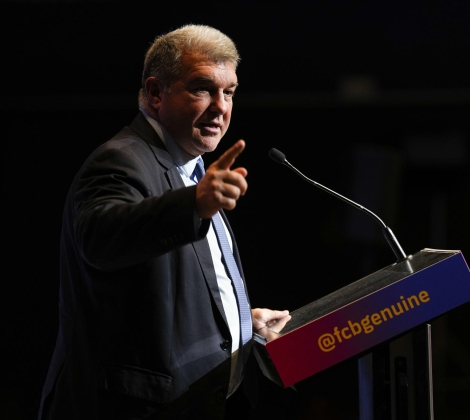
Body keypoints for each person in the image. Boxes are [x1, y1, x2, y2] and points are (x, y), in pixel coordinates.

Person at [37, 24, 292, 420]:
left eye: (229, 92)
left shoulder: (191, 171)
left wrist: (239, 318)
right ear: (156, 94)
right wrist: (194, 203)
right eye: (202, 88)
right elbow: (101, 239)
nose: (221, 107)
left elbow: (171, 290)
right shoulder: (122, 159)